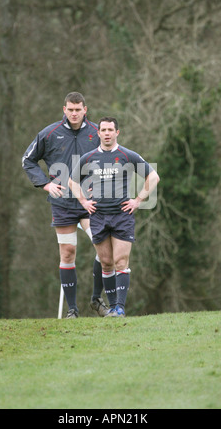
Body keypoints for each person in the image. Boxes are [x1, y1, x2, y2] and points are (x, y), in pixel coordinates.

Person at [22, 92, 109, 318]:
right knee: (68, 252)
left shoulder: (97, 133)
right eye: (70, 109)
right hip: (62, 203)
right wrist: (45, 184)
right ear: (64, 109)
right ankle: (72, 310)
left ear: (85, 110)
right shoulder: (49, 133)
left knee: (103, 249)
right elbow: (28, 160)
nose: (74, 113)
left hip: (90, 203)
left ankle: (96, 299)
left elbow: (113, 159)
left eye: (78, 109)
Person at [69, 117, 160, 317]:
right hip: (98, 216)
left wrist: (138, 200)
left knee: (121, 261)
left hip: (122, 216)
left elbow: (153, 177)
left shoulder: (127, 155)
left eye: (111, 129)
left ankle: (120, 307)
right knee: (106, 262)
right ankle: (112, 308)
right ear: (98, 133)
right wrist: (84, 201)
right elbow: (72, 182)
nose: (107, 133)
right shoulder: (89, 157)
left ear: (117, 132)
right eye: (104, 130)